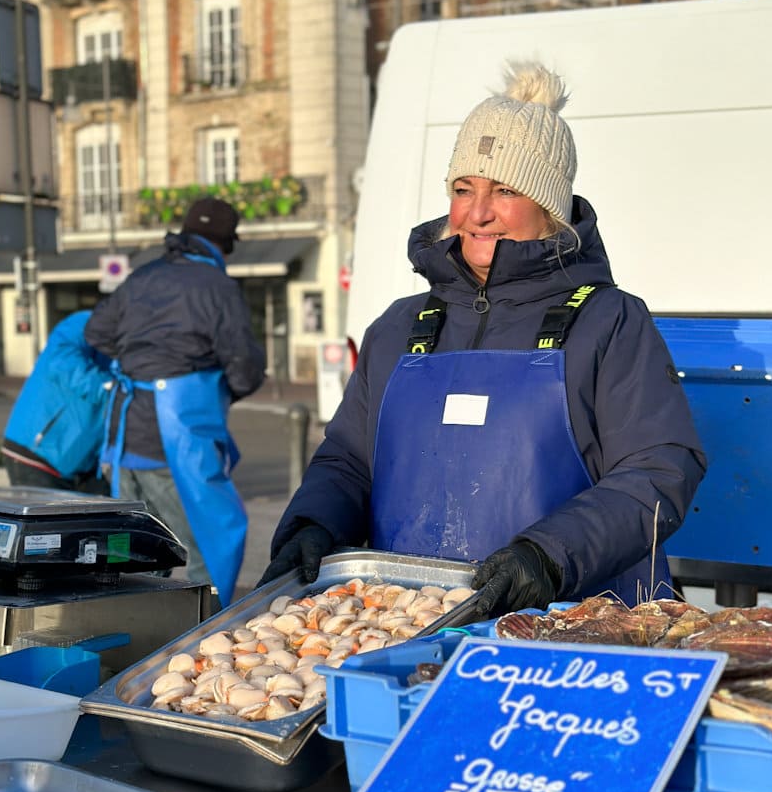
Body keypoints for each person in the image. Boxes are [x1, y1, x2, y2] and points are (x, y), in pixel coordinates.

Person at [259, 61, 706, 614]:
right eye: (463, 188)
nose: (478, 213)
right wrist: (315, 522)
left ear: (549, 206)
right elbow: (349, 460)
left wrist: (548, 557)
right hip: (410, 622)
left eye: (504, 191)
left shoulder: (609, 322)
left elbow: (659, 469)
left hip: (575, 623)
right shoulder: (399, 327)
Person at [86, 196, 266, 605]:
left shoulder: (142, 276)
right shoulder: (218, 288)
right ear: (225, 245)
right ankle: (208, 626)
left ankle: (132, 625)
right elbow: (245, 369)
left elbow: (96, 332)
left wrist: (138, 364)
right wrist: (209, 387)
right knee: (212, 541)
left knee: (131, 550)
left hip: (122, 444)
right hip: (174, 441)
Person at [1, 310, 111, 494]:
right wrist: (109, 388)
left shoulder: (139, 346)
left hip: (83, 464)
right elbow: (62, 360)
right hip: (38, 452)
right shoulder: (87, 322)